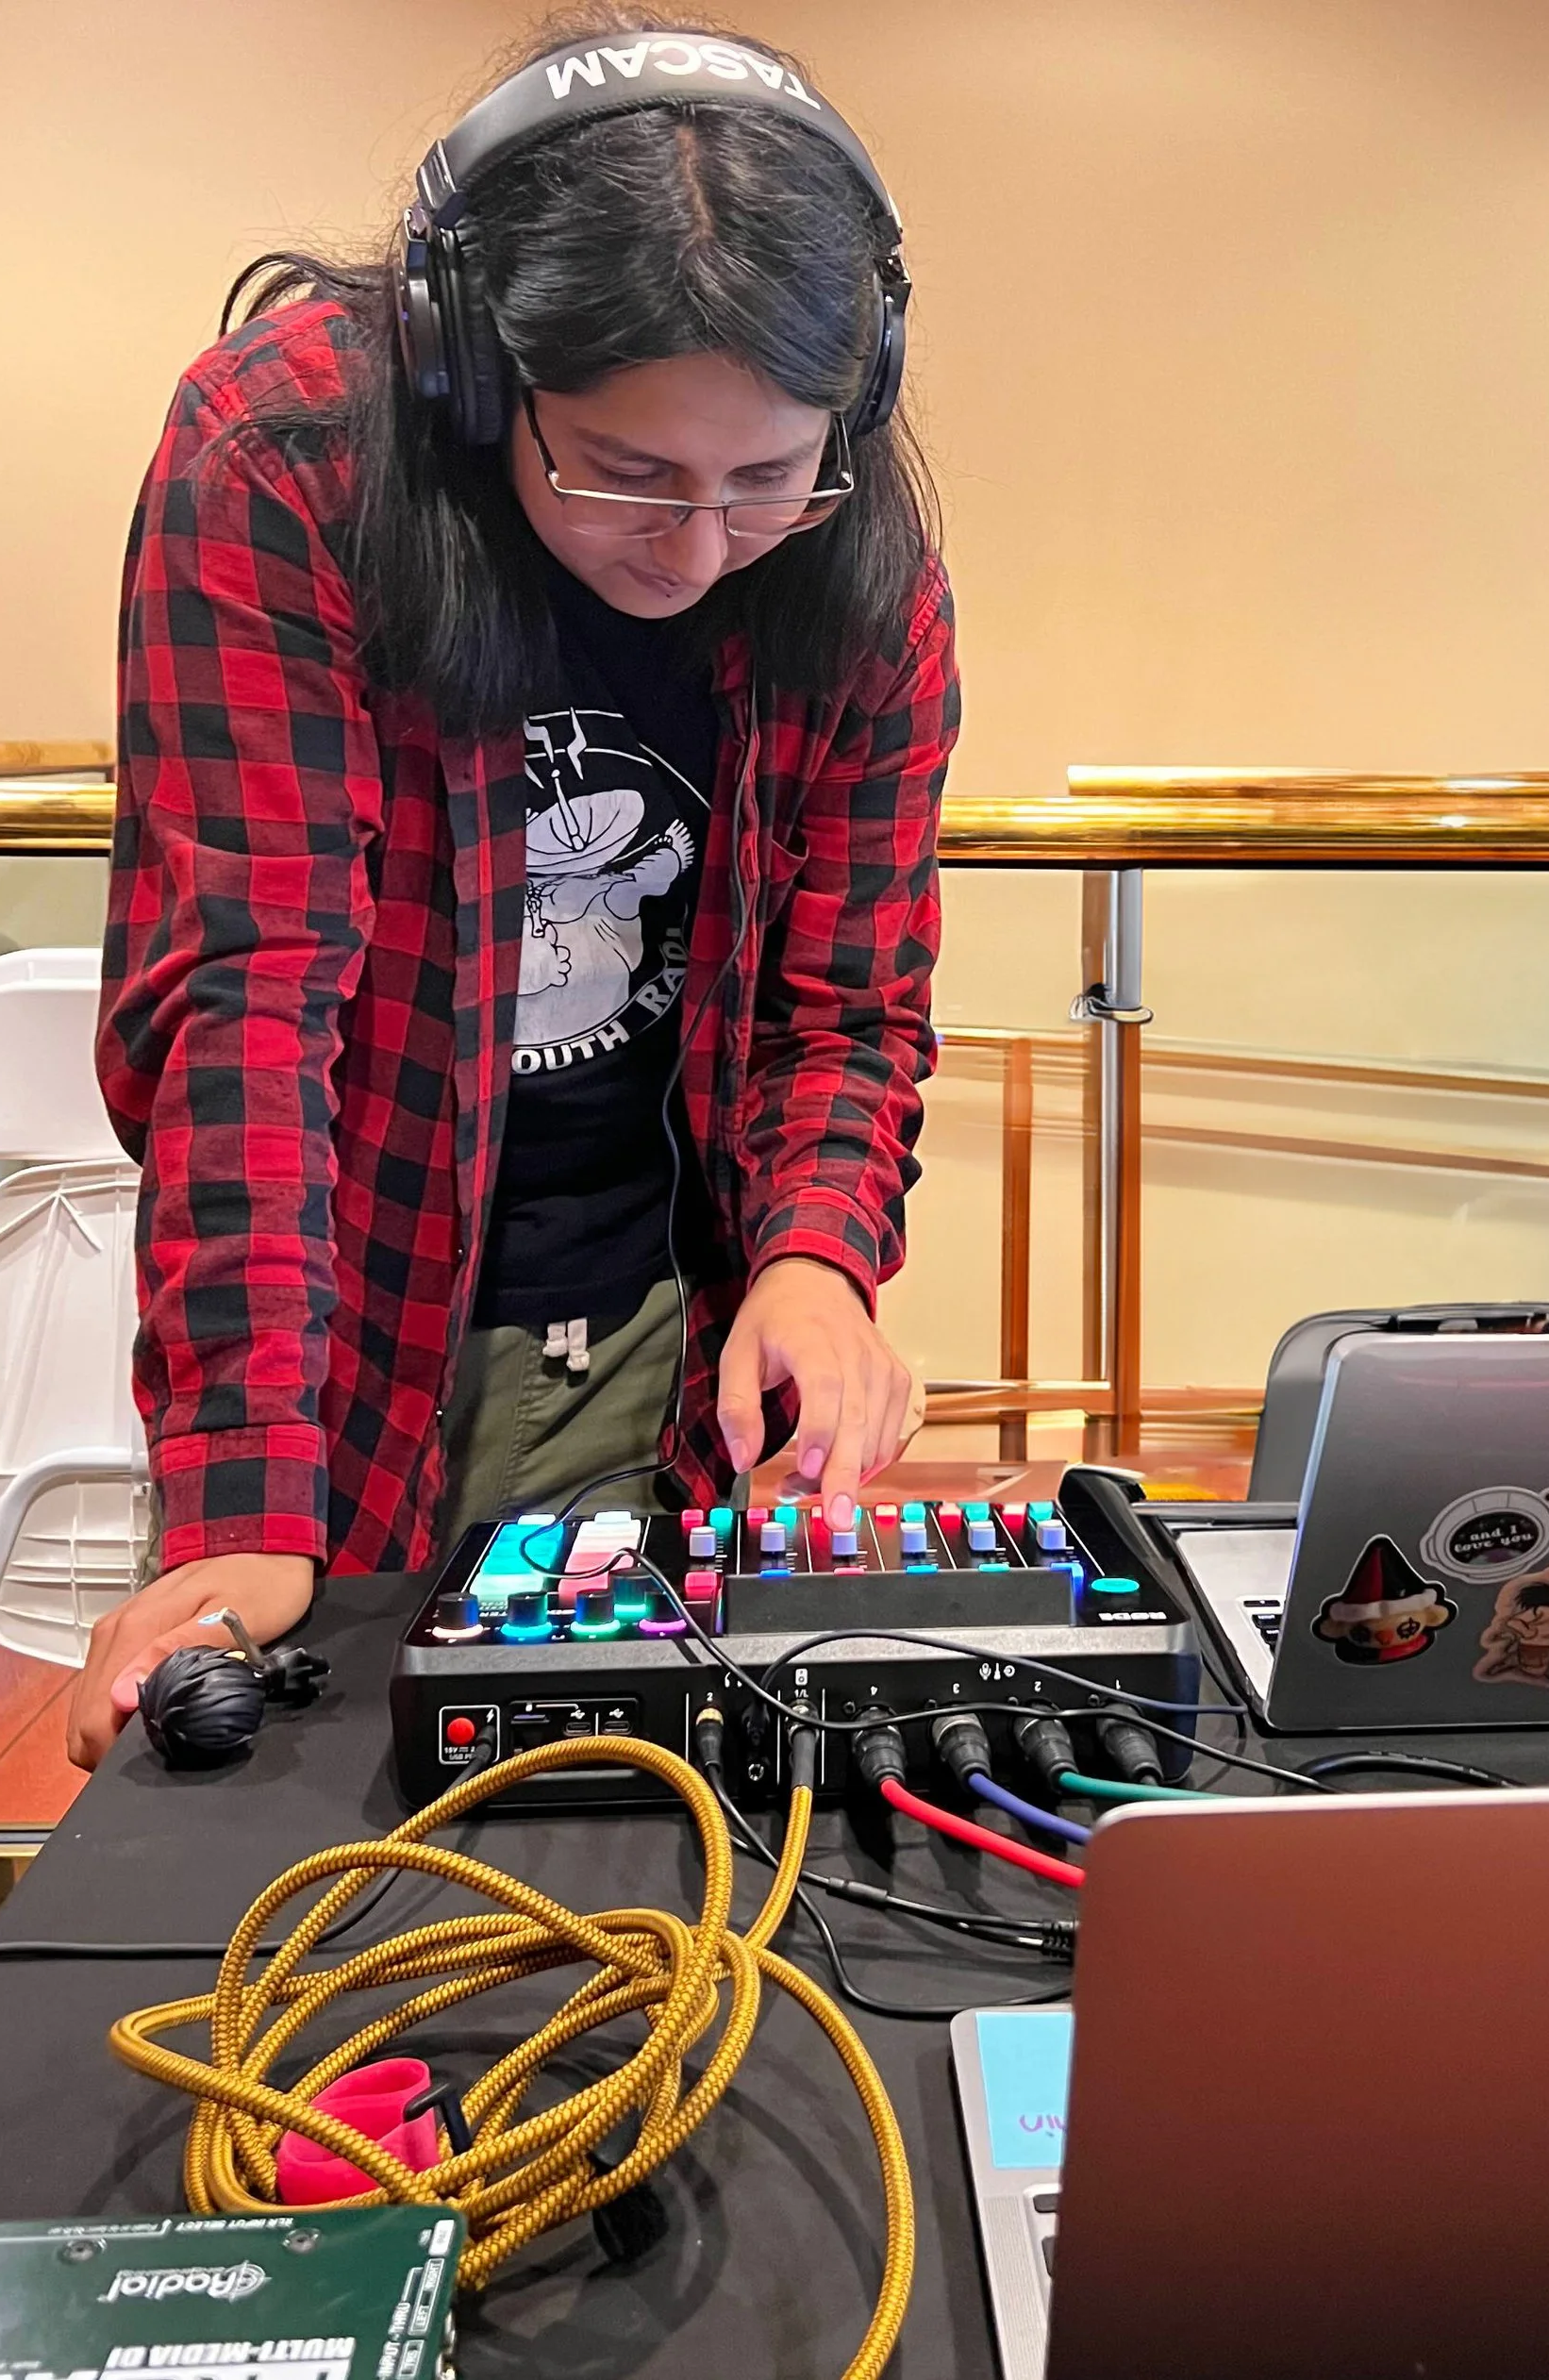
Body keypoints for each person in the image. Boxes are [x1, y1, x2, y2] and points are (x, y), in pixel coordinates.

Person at [68, 11, 956, 1768]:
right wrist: (247, 1493)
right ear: (482, 372)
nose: (700, 549)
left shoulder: (855, 555)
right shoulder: (284, 460)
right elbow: (245, 992)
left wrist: (816, 1259)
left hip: (659, 1312)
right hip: (354, 1311)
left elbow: (850, 996)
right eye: (628, 474)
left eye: (763, 479)